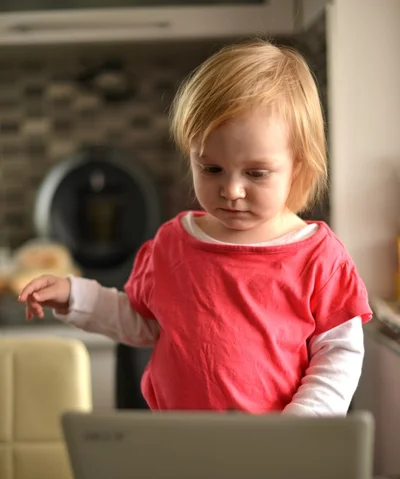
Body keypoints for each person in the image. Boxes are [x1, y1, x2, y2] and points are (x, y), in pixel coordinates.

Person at [18, 39, 372, 416]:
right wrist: (75, 297)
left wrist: (303, 421)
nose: (232, 190)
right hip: (180, 444)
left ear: (297, 166)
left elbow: (340, 351)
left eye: (256, 173)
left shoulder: (319, 257)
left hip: (276, 450)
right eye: (211, 168)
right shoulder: (174, 243)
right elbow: (143, 322)